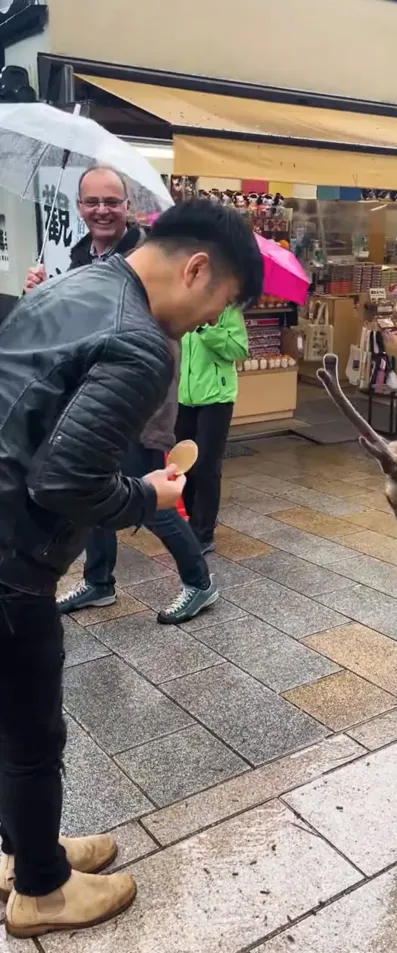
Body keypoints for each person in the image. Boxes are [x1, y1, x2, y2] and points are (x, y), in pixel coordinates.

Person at [0, 200, 262, 939]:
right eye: (219, 303)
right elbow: (65, 481)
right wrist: (147, 495)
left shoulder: (72, 285)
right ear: (196, 268)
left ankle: (23, 848)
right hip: (11, 558)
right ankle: (43, 891)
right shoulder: (143, 342)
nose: (211, 322)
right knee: (30, 733)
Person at [27, 166, 216, 625]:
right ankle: (99, 581)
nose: (102, 210)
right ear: (80, 207)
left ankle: (199, 581)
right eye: (92, 202)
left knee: (150, 496)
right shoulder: (77, 256)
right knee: (87, 488)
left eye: (112, 201)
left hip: (138, 397)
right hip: (87, 393)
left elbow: (162, 323)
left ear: (127, 207)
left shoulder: (153, 256)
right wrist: (41, 293)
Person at [176, 306, 249, 553]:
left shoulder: (228, 310)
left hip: (217, 398)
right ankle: (193, 521)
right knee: (183, 464)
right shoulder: (183, 306)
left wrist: (206, 327)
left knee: (207, 465)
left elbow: (239, 350)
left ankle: (203, 532)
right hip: (184, 397)